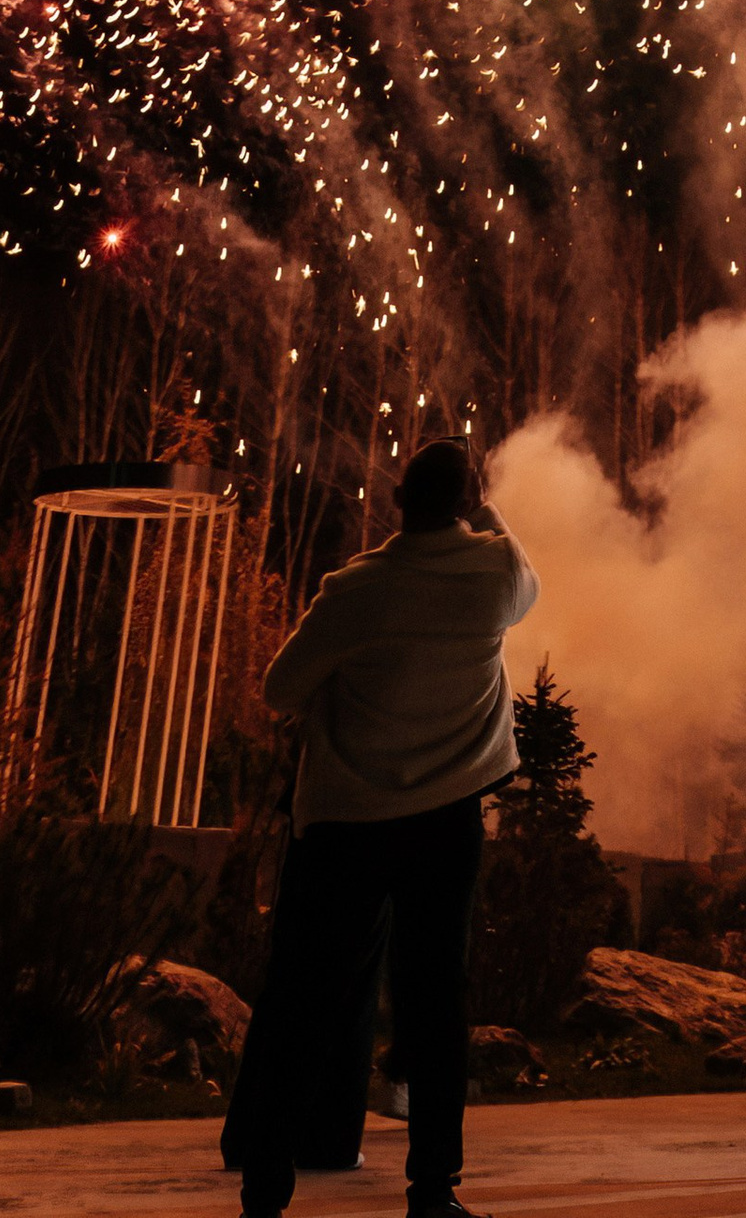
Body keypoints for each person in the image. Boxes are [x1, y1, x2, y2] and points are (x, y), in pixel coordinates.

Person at [221, 438, 539, 1218]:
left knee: (305, 997)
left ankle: (267, 1186)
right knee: (436, 1005)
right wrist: (484, 505)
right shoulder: (496, 578)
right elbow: (517, 560)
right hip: (446, 823)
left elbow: (280, 689)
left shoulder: (356, 589)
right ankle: (433, 1190)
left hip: (348, 823)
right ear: (469, 503)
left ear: (398, 501)